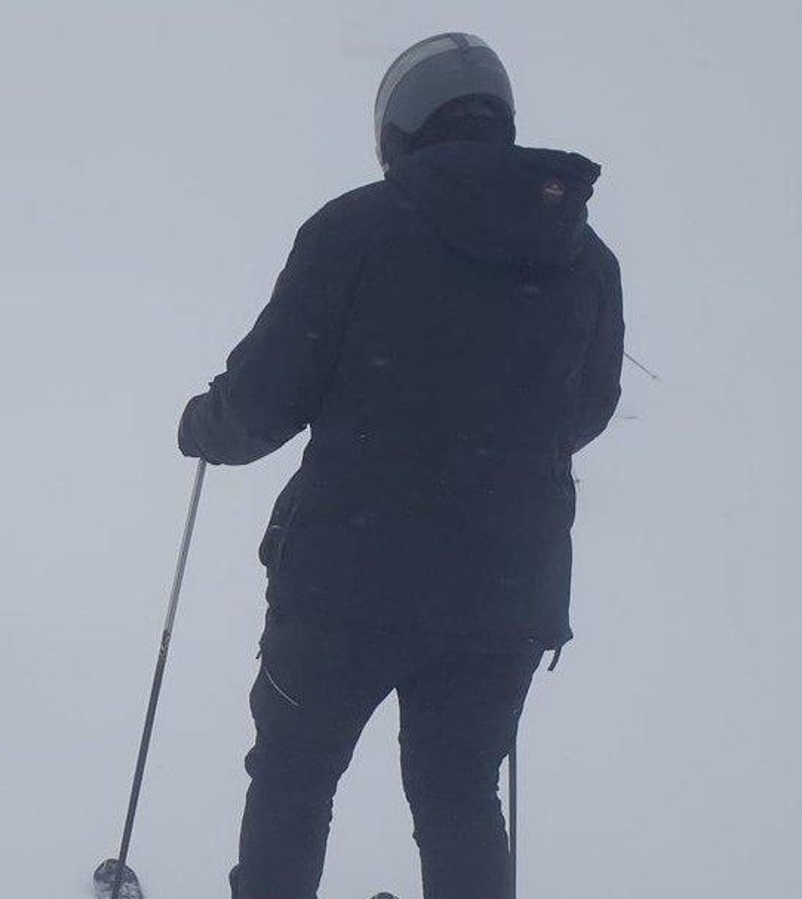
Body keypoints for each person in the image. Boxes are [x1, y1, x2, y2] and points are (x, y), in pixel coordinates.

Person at [177, 34, 624, 899]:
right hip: (504, 592)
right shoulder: (582, 255)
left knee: (293, 779)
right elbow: (589, 409)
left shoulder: (356, 230)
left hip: (346, 581)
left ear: (399, 130)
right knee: (460, 793)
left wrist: (205, 424)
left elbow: (265, 399)